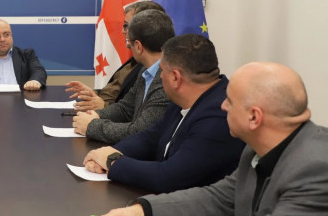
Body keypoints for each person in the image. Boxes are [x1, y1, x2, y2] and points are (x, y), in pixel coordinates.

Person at [86, 62, 328, 216]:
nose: (223, 106)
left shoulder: (316, 168)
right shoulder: (260, 146)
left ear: (254, 117)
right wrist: (144, 209)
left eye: (230, 101)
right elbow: (220, 197)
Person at [81, 34, 244, 193]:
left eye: (162, 70)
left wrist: (112, 162)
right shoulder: (184, 98)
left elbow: (169, 177)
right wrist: (111, 152)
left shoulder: (219, 115)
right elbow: (151, 137)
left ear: (175, 78)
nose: (160, 76)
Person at [73, 9, 174, 144]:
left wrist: (92, 126)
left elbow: (140, 132)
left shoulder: (167, 79)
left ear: (138, 46)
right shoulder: (147, 69)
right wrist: (95, 115)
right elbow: (125, 108)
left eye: (129, 41)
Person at [66, 0, 165, 110]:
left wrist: (103, 106)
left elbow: (131, 111)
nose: (123, 31)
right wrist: (94, 93)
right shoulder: (136, 60)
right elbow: (118, 93)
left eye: (127, 26)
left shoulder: (150, 67)